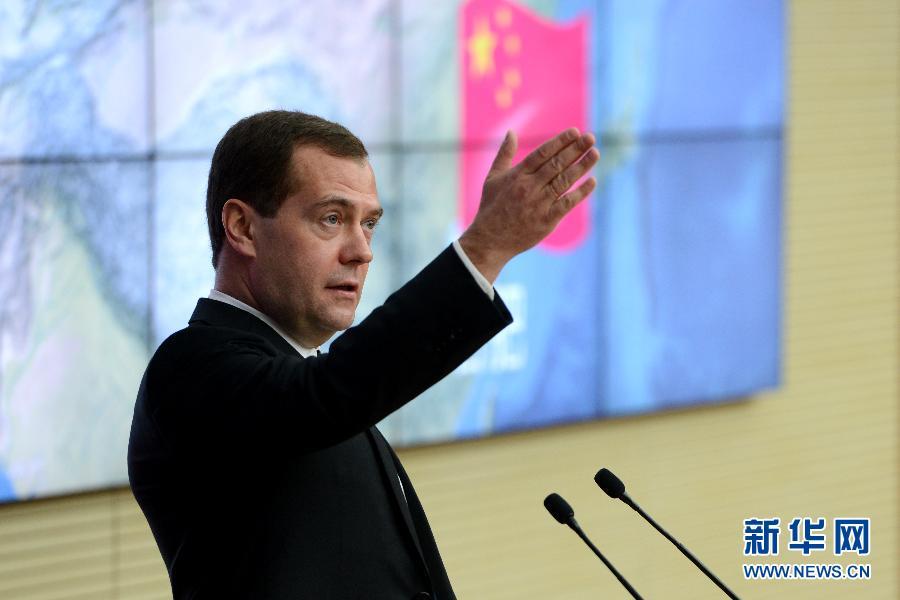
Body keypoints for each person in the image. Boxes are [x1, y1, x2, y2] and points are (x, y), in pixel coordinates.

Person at [128, 110, 598, 600]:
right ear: (243, 227)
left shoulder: (306, 377)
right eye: (331, 219)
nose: (361, 251)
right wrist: (485, 247)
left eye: (368, 223)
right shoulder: (190, 367)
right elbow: (326, 397)